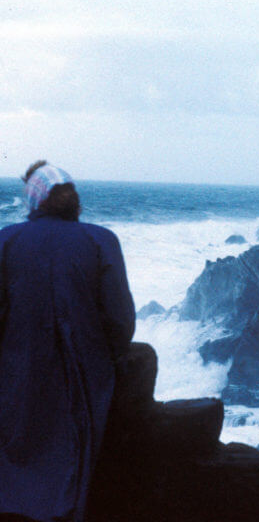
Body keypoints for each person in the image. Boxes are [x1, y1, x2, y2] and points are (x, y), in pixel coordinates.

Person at [0, 161, 135, 522]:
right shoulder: (100, 240)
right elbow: (120, 320)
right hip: (85, 377)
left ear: (34, 201)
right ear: (73, 201)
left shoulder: (6, 240)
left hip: (20, 376)